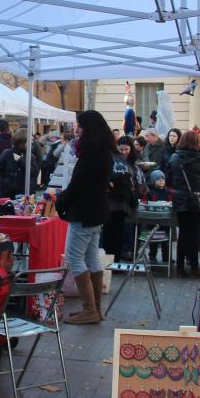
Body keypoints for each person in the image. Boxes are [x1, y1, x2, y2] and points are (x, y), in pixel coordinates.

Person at [56, 110, 115, 324]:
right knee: (92, 258)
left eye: (79, 125)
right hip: (96, 212)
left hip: (84, 212)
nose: (76, 129)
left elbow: (76, 185)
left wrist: (60, 201)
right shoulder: (104, 152)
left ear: (88, 128)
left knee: (74, 258)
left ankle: (90, 309)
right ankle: (96, 310)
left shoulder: (91, 153)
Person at [167, 130, 200, 279]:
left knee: (183, 234)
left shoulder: (174, 158)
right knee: (195, 234)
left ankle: (180, 267)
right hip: (196, 200)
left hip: (180, 200)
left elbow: (168, 179)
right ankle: (194, 267)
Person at [102, 135, 144, 262]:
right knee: (110, 232)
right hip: (111, 201)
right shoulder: (111, 160)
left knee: (120, 232)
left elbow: (139, 185)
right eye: (122, 150)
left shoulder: (133, 164)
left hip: (124, 202)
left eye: (127, 149)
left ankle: (116, 259)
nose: (124, 152)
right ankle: (110, 260)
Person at [0, 128, 40, 199]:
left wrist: (21, 160)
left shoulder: (30, 156)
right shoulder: (7, 153)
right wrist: (2, 184)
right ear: (22, 141)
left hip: (24, 195)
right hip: (7, 194)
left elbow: (34, 173)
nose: (32, 142)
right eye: (29, 140)